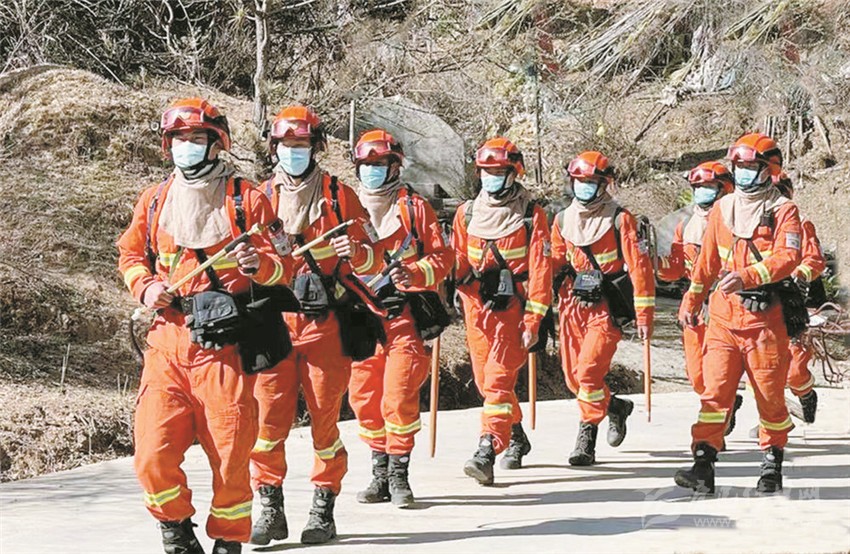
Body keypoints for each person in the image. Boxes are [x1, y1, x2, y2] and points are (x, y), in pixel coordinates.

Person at [118, 97, 290, 554]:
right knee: (151, 453)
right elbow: (131, 255)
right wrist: (146, 287)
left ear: (217, 144)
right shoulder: (154, 200)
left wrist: (258, 266)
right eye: (179, 139)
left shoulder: (247, 199)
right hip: (167, 342)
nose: (187, 146)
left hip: (224, 347)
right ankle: (176, 531)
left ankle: (229, 539)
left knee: (231, 456)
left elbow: (283, 265)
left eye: (197, 138)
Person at [249, 105, 384, 546]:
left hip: (326, 324)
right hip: (275, 321)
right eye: (286, 145)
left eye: (301, 144)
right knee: (267, 422)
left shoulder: (339, 196)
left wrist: (356, 253)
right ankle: (270, 507)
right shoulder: (257, 198)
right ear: (274, 148)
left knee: (325, 423)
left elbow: (374, 257)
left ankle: (323, 508)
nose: (293, 152)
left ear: (316, 147)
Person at [675, 133, 802, 495]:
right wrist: (691, 300)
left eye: (751, 166)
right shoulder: (723, 208)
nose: (744, 172)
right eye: (739, 166)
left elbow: (788, 257)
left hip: (765, 322)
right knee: (714, 393)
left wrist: (749, 276)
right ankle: (703, 463)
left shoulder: (784, 210)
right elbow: (706, 262)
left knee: (769, 396)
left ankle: (772, 460)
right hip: (723, 320)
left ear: (768, 169)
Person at [347, 129, 454, 507]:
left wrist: (417, 273)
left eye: (380, 164)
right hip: (361, 318)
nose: (372, 170)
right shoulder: (345, 206)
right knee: (363, 397)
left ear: (395, 167)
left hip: (403, 316)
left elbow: (443, 257)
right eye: (367, 164)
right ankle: (379, 471)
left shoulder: (414, 208)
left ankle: (398, 474)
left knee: (398, 395)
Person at [452, 137, 552, 485]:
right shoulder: (466, 214)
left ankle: (487, 448)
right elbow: (457, 259)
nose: (491, 178)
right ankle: (517, 436)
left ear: (513, 174)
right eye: (486, 172)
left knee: (497, 381)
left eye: (498, 172)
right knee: (486, 382)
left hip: (513, 311)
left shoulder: (531, 215)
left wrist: (534, 320)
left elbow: (541, 271)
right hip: (476, 310)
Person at [551, 151, 655, 466]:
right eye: (579, 181)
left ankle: (587, 435)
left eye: (591, 181)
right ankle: (616, 408)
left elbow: (640, 269)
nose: (584, 186)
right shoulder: (561, 220)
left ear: (604, 184)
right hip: (572, 304)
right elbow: (554, 262)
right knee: (574, 379)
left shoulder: (621, 219)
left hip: (606, 306)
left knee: (588, 372)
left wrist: (644, 316)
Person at [657, 162, 744, 435]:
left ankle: (714, 431)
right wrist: (654, 262)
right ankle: (727, 403)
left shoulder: (738, 222)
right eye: (698, 187)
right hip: (694, 306)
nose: (701, 192)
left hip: (726, 302)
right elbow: (675, 269)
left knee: (719, 373)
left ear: (724, 189)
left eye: (708, 187)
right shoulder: (686, 225)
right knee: (697, 376)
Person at [775, 172, 825, 423]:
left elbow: (814, 259)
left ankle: (805, 394)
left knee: (794, 371)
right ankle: (772, 424)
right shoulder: (748, 225)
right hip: (764, 305)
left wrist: (800, 275)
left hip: (798, 305)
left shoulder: (801, 224)